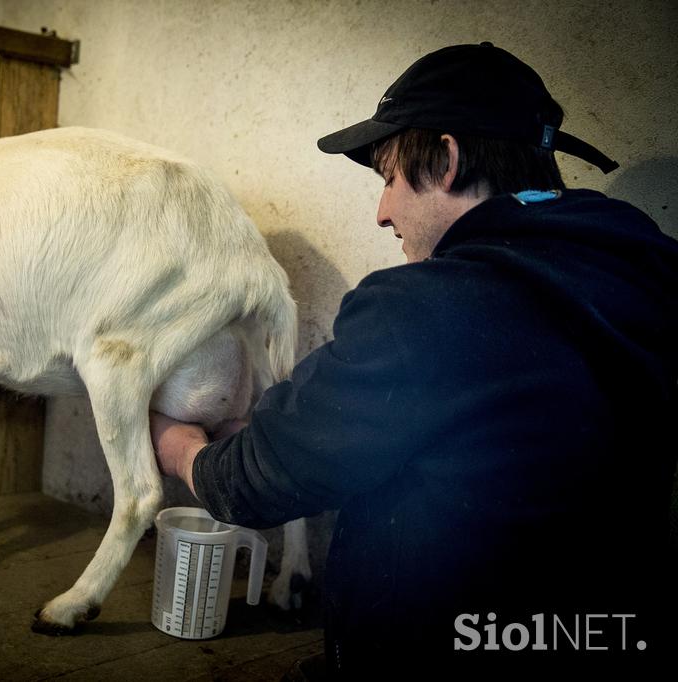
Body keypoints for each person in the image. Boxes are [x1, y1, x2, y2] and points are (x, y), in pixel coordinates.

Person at [150, 42, 677, 674]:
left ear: (448, 160)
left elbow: (252, 486)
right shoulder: (646, 266)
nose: (381, 213)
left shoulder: (421, 308)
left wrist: (178, 445)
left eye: (390, 179)